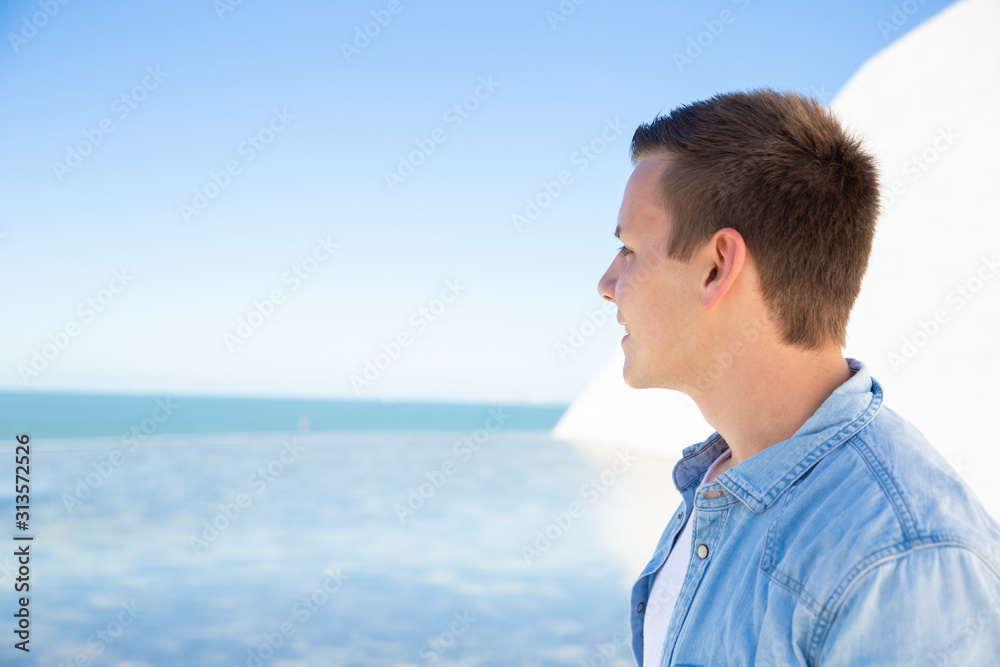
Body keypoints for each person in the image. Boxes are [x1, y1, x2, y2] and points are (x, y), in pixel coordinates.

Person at [597, 88, 1000, 666]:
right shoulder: (719, 482)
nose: (607, 283)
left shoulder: (901, 562)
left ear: (716, 267)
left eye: (629, 249)